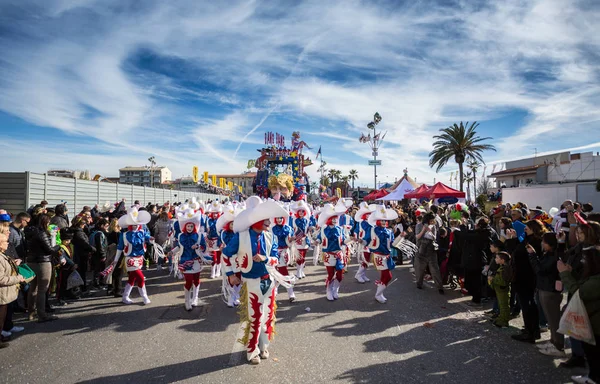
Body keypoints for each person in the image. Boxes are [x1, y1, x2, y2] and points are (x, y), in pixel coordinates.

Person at [221, 196, 288, 365]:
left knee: (268, 316)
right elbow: (226, 255)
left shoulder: (271, 237)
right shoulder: (241, 236)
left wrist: (265, 258)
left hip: (269, 281)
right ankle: (252, 351)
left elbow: (275, 259)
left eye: (268, 219)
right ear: (255, 220)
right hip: (251, 282)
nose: (268, 222)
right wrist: (230, 274)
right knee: (255, 317)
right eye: (265, 219)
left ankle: (264, 346)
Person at [558, 244, 600, 384]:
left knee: (593, 353)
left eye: (585, 259)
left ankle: (594, 378)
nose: (582, 262)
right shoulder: (593, 276)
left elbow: (579, 292)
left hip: (595, 323)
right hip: (593, 320)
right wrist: (571, 273)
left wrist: (564, 274)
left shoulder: (597, 280)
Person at [506, 219, 545, 343]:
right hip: (523, 276)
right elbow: (518, 249)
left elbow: (519, 253)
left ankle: (530, 332)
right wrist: (514, 238)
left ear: (533, 228)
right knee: (528, 304)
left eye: (527, 226)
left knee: (527, 304)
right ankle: (532, 330)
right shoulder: (530, 239)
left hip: (526, 277)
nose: (524, 228)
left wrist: (512, 240)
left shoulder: (536, 241)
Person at [527, 232, 565, 357]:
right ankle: (553, 341)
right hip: (544, 288)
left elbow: (540, 270)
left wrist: (532, 255)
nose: (542, 244)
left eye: (544, 242)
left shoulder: (554, 256)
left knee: (554, 320)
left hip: (550, 290)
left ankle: (558, 346)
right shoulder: (548, 254)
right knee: (550, 318)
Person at [108, 207, 153, 305]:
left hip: (140, 258)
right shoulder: (124, 235)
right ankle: (145, 297)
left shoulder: (142, 232)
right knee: (140, 278)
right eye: (132, 224)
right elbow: (120, 248)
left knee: (132, 278)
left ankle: (125, 297)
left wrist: (151, 239)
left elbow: (147, 237)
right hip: (130, 259)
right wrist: (115, 260)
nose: (134, 226)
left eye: (136, 224)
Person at [24, 214, 60, 322]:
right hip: (43, 262)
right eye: (48, 222)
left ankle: (31, 313)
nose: (49, 224)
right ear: (44, 222)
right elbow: (50, 250)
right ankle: (42, 314)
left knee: (33, 288)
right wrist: (59, 246)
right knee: (42, 290)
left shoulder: (29, 232)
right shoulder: (41, 233)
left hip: (31, 261)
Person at [169, 209, 206, 311]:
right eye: (188, 226)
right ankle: (187, 301)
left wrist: (198, 246)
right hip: (185, 261)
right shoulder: (181, 236)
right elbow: (179, 247)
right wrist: (172, 252)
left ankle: (195, 298)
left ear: (194, 226)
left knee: (197, 280)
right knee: (189, 281)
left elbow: (204, 247)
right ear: (185, 226)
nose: (190, 228)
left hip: (196, 261)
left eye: (191, 226)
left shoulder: (199, 235)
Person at [315, 204, 347, 301]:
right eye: (332, 218)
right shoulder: (324, 229)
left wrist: (352, 239)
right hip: (329, 255)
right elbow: (319, 238)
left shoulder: (340, 229)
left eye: (335, 218)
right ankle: (329, 290)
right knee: (330, 274)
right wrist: (317, 241)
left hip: (339, 254)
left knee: (340, 275)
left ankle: (335, 290)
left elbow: (344, 241)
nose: (334, 220)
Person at [367, 205, 398, 303]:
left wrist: (401, 237)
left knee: (384, 276)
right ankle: (378, 294)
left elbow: (392, 244)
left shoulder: (389, 231)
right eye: (382, 220)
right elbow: (367, 240)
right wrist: (361, 241)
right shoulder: (373, 230)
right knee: (388, 276)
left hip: (387, 256)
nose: (384, 222)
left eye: (385, 220)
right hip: (379, 255)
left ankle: (379, 294)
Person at [0, 232, 26, 348]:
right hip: (2, 294)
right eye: (5, 241)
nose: (8, 243)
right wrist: (17, 278)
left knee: (3, 316)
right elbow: (1, 279)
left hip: (6, 294)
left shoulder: (3, 255)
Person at [415, 213, 444, 294]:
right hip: (421, 249)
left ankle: (440, 287)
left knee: (435, 269)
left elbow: (434, 238)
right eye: (431, 220)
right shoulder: (419, 225)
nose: (432, 222)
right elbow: (417, 237)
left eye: (433, 220)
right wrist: (424, 229)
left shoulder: (434, 226)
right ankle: (419, 283)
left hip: (431, 249)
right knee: (420, 268)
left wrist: (431, 233)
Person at [271, 212, 295, 302]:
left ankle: (278, 290)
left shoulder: (288, 228)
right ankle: (289, 293)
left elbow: (291, 241)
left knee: (281, 272)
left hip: (285, 252)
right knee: (281, 272)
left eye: (280, 218)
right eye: (277, 218)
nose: (279, 220)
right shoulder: (272, 229)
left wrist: (292, 239)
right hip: (275, 252)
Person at [71, 215, 95, 292]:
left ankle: (80, 287)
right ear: (81, 224)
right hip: (81, 255)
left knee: (79, 272)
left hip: (77, 254)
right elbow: (84, 244)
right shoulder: (79, 233)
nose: (84, 225)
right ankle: (82, 288)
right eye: (83, 224)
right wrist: (92, 248)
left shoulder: (73, 231)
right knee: (81, 272)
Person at [487, 251, 512, 328]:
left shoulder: (505, 268)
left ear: (502, 260)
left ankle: (504, 321)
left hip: (503, 290)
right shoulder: (503, 267)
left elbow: (503, 282)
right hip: (500, 290)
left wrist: (492, 279)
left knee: (504, 306)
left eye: (497, 258)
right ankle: (501, 318)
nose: (495, 259)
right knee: (501, 305)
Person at [55, 228, 78, 303]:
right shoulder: (60, 247)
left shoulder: (71, 245)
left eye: (69, 240)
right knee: (61, 283)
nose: (68, 242)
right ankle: (60, 297)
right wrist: (73, 264)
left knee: (69, 282)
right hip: (63, 268)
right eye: (66, 240)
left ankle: (69, 294)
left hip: (71, 267)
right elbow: (64, 257)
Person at [354, 202, 375, 283]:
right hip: (364, 243)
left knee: (367, 259)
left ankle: (362, 274)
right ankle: (358, 274)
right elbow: (367, 232)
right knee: (365, 259)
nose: (369, 215)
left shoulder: (369, 223)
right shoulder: (363, 222)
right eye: (367, 214)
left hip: (369, 243)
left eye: (369, 214)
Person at [290, 200, 311, 279]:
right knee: (299, 256)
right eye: (300, 211)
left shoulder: (306, 220)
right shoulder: (295, 220)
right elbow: (293, 229)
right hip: (298, 240)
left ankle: (301, 271)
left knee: (304, 256)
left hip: (305, 239)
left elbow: (307, 229)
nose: (301, 213)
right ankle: (298, 271)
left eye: (303, 211)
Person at [90, 219, 109, 288]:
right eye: (106, 226)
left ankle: (97, 282)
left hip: (95, 254)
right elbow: (100, 246)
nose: (107, 228)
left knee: (97, 269)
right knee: (99, 269)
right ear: (102, 225)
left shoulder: (94, 232)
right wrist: (103, 255)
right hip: (99, 254)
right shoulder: (100, 234)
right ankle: (98, 283)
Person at [206, 202, 223, 279]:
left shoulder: (221, 220)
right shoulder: (209, 220)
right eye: (213, 213)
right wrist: (207, 238)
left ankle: (218, 271)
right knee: (213, 257)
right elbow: (207, 231)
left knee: (219, 256)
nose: (215, 215)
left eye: (216, 213)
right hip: (211, 241)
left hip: (219, 240)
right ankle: (212, 271)